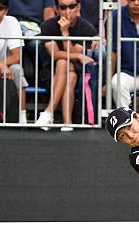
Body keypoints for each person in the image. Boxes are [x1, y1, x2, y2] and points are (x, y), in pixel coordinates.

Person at [35, 0, 97, 130]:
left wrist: (65, 33)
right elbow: (55, 54)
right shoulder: (47, 25)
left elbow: (72, 56)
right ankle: (67, 121)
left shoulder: (86, 27)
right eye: (63, 7)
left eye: (72, 6)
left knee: (66, 65)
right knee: (64, 65)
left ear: (78, 7)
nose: (67, 11)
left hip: (78, 70)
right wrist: (80, 56)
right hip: (51, 70)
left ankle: (48, 112)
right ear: (56, 9)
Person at [6, 0, 55, 84]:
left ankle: (41, 81)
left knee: (36, 45)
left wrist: (47, 32)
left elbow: (49, 15)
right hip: (11, 26)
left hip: (36, 29)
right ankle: (12, 83)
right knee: (14, 45)